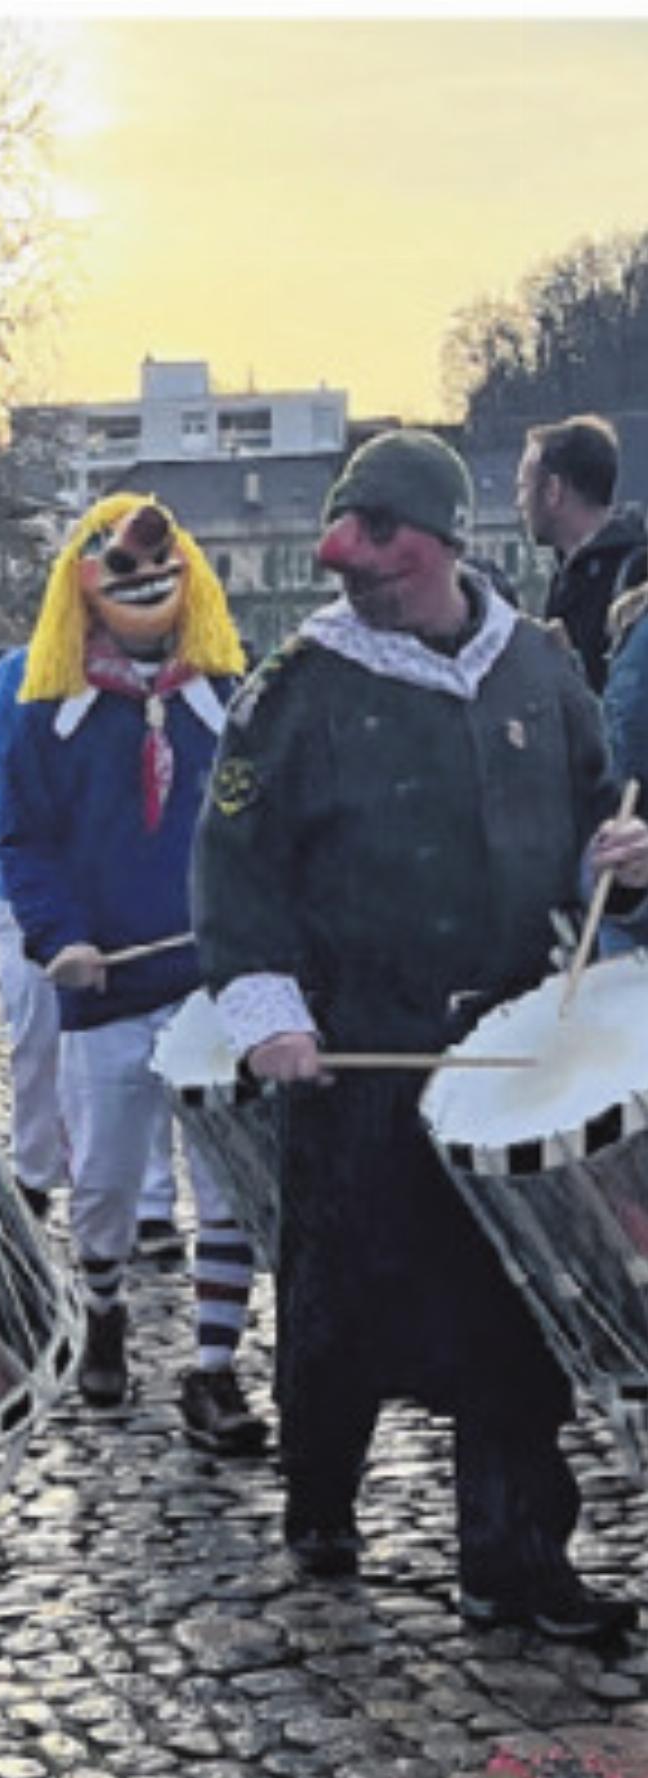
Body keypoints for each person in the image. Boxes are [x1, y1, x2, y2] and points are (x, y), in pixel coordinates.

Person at [193, 428, 648, 1642]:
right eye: (351, 557)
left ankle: (514, 1561)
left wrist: (628, 861)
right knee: (343, 1297)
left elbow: (600, 811)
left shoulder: (540, 673)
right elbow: (234, 877)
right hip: (357, 1057)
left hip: (506, 1053)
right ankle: (322, 1495)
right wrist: (269, 1016)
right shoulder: (293, 692)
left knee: (516, 1304)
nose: (363, 576)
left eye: (385, 553)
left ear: (444, 543)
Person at [0, 494, 265, 1454]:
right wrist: (58, 935)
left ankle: (215, 1368)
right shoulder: (46, 722)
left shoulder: (233, 704)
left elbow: (264, 834)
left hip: (213, 990)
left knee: (225, 1183)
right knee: (105, 1182)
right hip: (106, 987)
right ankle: (103, 1308)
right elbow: (24, 844)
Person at [0, 643, 183, 1259]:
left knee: (149, 1043)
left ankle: (151, 1201)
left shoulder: (175, 675)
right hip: (33, 896)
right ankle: (35, 1171)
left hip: (130, 904)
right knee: (36, 1037)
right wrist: (21, 861)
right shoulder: (18, 676)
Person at [516, 414, 647, 694]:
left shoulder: (635, 574)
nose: (519, 503)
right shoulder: (566, 576)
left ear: (553, 490)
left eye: (523, 487)